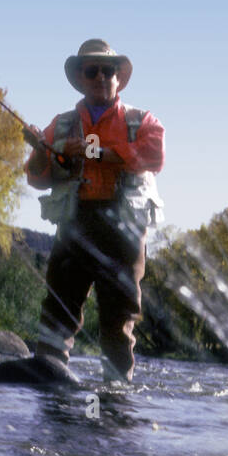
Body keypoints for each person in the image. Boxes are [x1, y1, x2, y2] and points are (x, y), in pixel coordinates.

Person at [24, 39, 165, 382]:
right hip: (75, 225)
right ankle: (49, 384)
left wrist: (93, 151)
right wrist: (41, 149)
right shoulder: (59, 126)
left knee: (119, 317)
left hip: (124, 232)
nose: (101, 76)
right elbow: (37, 178)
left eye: (109, 70)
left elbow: (153, 156)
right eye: (92, 70)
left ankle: (116, 399)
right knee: (59, 309)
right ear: (81, 77)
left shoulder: (142, 120)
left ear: (118, 77)